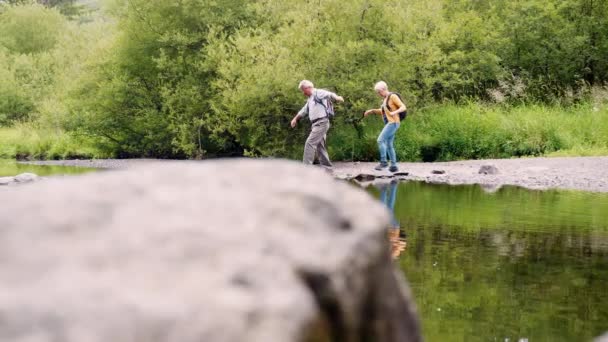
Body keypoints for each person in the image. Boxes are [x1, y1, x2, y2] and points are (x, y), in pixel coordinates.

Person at [290, 80, 344, 167]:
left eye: (303, 90)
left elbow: (329, 94)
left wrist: (337, 97)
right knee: (320, 145)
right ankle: (327, 166)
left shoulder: (318, 92)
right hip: (316, 124)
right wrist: (295, 119)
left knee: (309, 143)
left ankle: (306, 167)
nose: (303, 93)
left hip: (321, 122)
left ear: (307, 88)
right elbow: (303, 111)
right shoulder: (310, 99)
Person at [364, 81, 407, 172]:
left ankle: (383, 162)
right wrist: (371, 111)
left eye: (379, 92)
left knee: (380, 140)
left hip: (393, 123)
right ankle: (394, 166)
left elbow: (403, 107)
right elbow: (383, 111)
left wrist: (394, 112)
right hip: (390, 123)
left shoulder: (392, 96)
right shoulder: (385, 99)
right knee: (389, 145)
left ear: (383, 89)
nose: (378, 94)